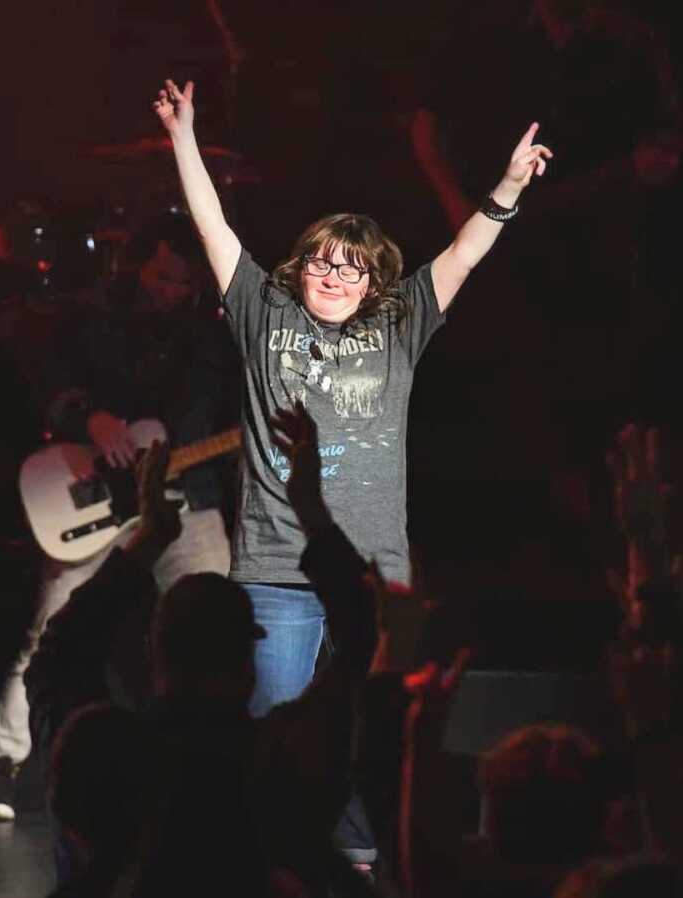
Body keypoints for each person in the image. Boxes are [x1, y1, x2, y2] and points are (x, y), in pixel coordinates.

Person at [152, 77, 552, 717]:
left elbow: (464, 254)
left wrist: (506, 189)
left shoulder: (400, 323)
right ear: (299, 266)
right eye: (320, 262)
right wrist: (184, 136)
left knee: (369, 743)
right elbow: (211, 227)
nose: (332, 276)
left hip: (374, 576)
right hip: (275, 571)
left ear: (372, 284)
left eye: (349, 267)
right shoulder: (264, 310)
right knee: (275, 736)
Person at [25, 409, 380, 895]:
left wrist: (148, 538)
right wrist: (310, 509)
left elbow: (57, 656)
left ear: (155, 653)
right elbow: (363, 635)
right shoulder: (282, 759)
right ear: (249, 663)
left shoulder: (103, 756)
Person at [0, 212, 241, 821]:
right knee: (48, 621)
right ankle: (2, 765)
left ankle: (201, 778)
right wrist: (90, 417)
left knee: (208, 621)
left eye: (182, 283)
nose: (171, 292)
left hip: (187, 496)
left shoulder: (212, 338)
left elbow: (230, 412)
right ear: (137, 265)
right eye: (162, 277)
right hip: (97, 494)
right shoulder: (92, 322)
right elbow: (52, 388)